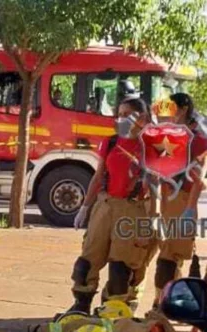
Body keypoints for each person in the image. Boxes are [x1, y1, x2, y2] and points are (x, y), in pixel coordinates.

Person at [69, 97, 156, 314]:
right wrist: (85, 207)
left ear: (142, 118)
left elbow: (157, 188)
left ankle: (113, 311)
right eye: (120, 114)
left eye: (128, 115)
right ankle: (81, 305)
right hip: (105, 206)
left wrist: (151, 222)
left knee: (121, 270)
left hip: (133, 211)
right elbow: (98, 177)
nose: (122, 119)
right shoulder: (110, 142)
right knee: (86, 263)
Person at [140, 92, 207, 311]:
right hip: (167, 195)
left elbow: (197, 174)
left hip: (183, 198)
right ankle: (165, 303)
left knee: (170, 256)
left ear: (184, 108)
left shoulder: (197, 136)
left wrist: (190, 208)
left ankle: (162, 304)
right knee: (167, 252)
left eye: (172, 108)